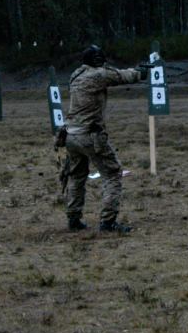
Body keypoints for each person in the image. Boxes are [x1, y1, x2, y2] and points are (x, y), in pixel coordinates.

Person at [57, 45, 146, 233]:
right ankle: (108, 221)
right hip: (89, 135)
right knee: (112, 173)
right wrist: (141, 72)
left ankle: (73, 218)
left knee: (76, 176)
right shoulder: (98, 75)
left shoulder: (76, 75)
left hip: (71, 134)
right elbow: (122, 76)